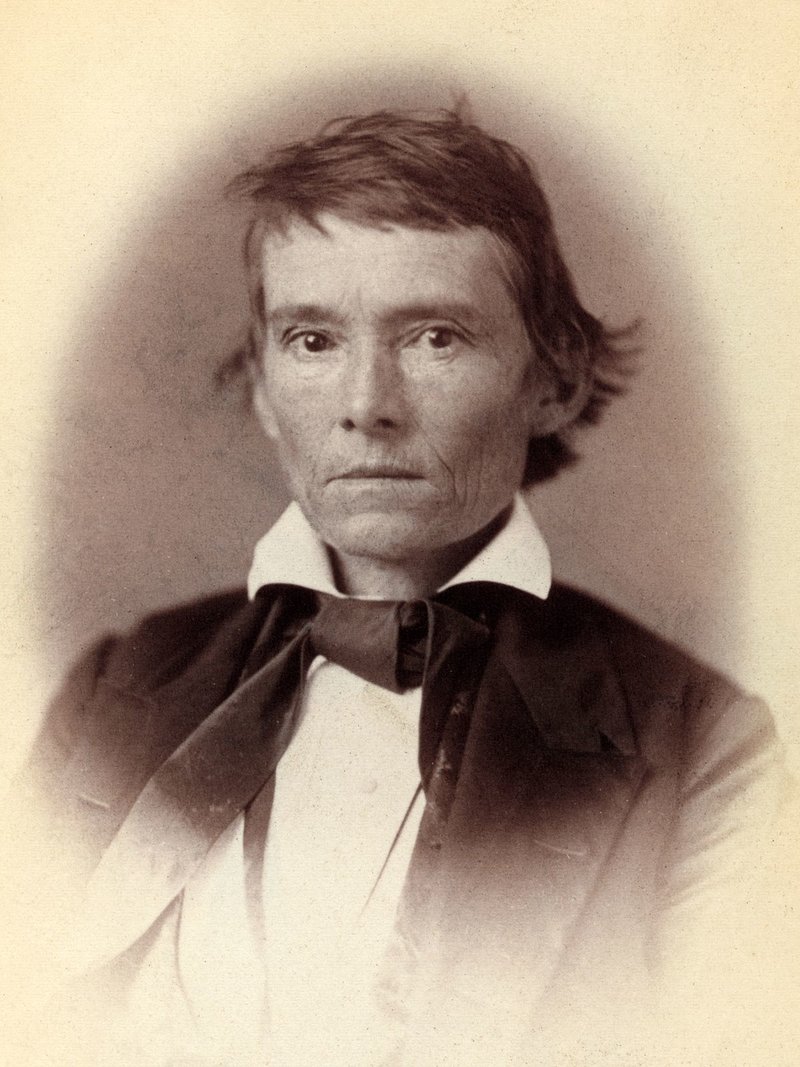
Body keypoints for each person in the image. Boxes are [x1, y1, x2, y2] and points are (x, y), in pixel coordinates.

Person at [10, 110, 786, 1066]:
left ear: (554, 381)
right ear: (262, 384)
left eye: (434, 337)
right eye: (313, 340)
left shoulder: (704, 751)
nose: (366, 404)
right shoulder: (109, 691)